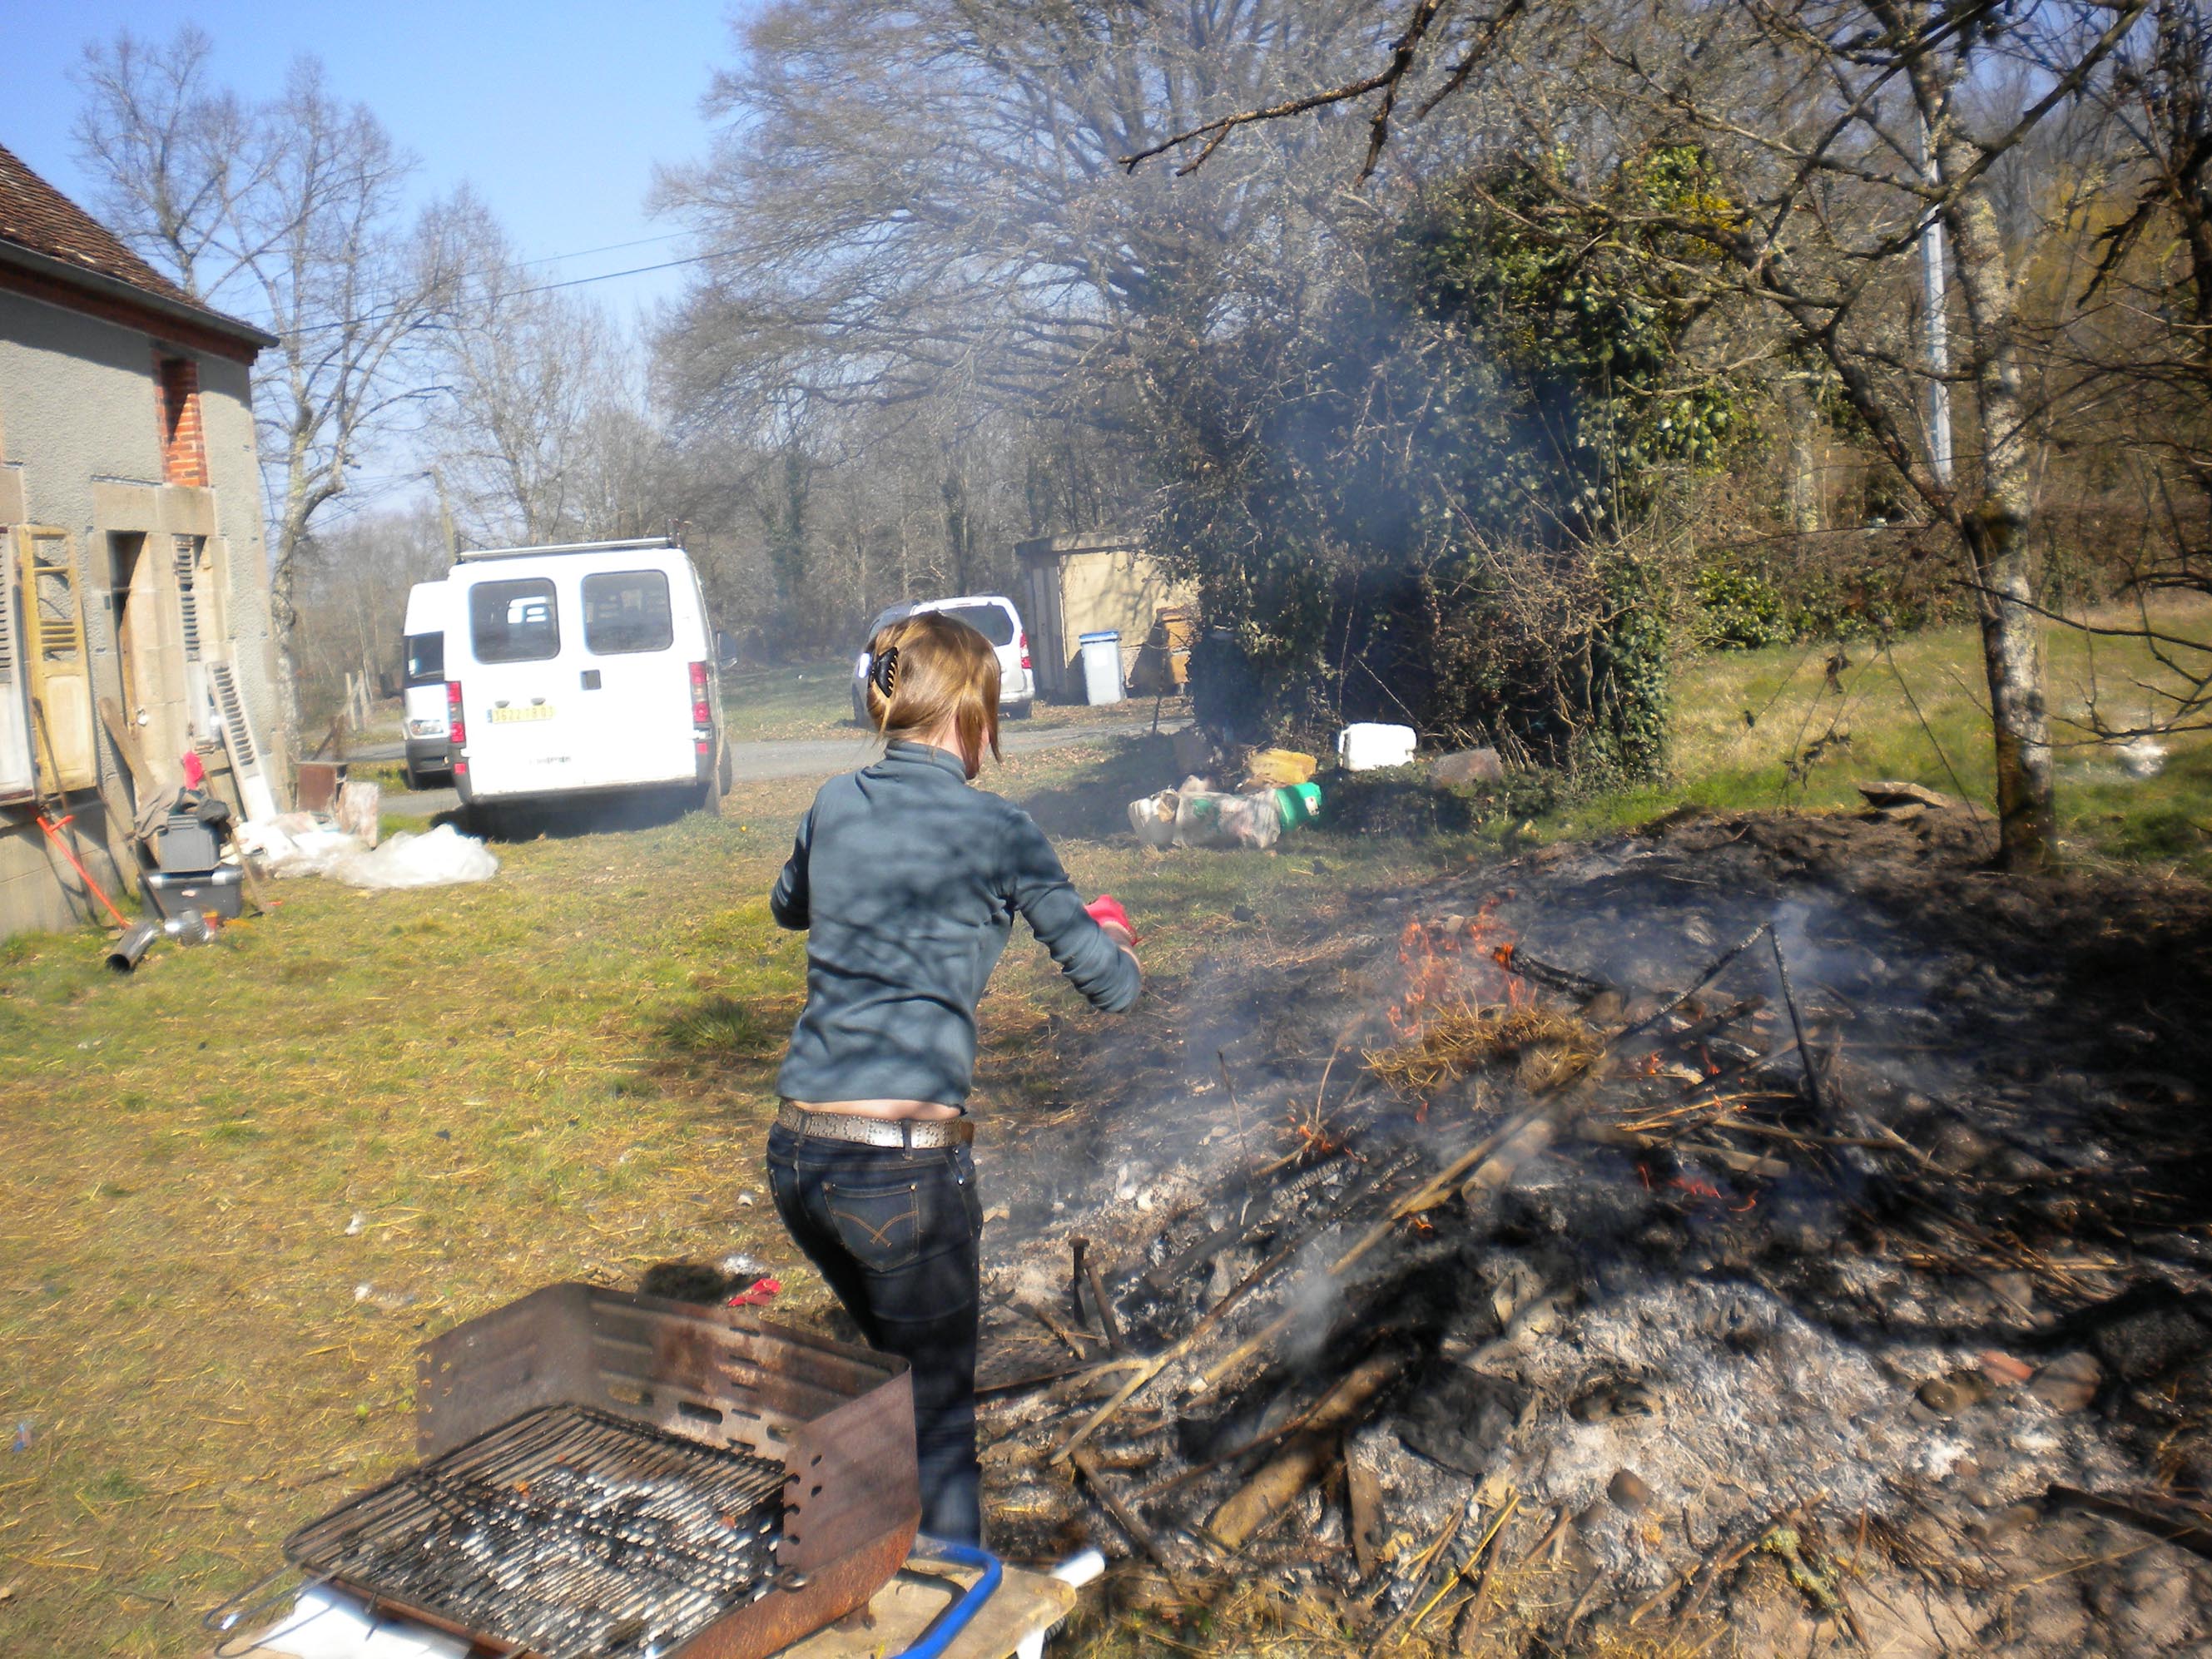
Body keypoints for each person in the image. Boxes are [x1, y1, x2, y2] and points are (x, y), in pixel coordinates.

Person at [766, 610, 1141, 1543]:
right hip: (901, 1176)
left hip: (800, 1159)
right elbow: (1111, 986)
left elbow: (788, 905)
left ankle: (869, 1558)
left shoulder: (832, 799)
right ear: (970, 713)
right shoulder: (1002, 830)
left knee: (896, 1384)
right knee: (938, 1426)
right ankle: (953, 1617)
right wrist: (1118, 938)